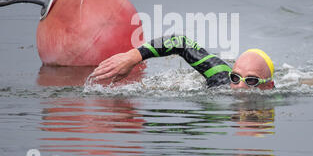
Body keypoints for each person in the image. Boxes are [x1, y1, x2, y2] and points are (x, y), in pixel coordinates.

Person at [90, 34, 275, 90]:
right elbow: (181, 43)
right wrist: (133, 56)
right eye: (235, 78)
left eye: (251, 81)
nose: (240, 87)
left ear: (268, 86)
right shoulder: (220, 76)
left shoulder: (278, 99)